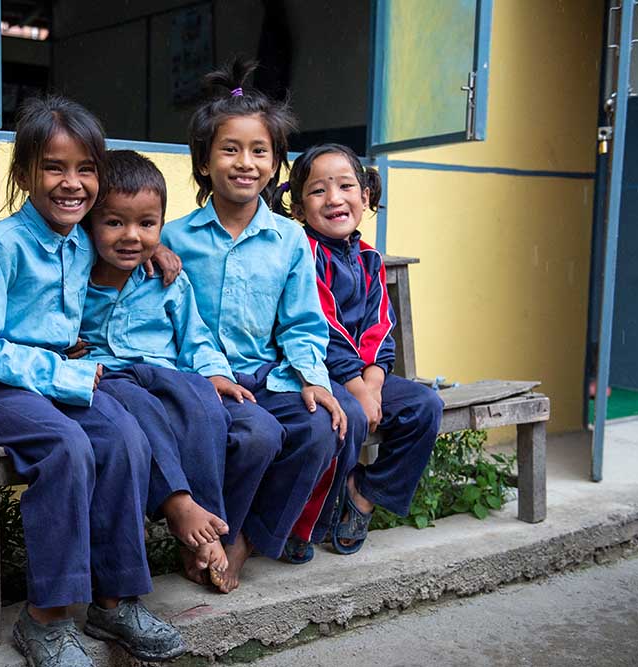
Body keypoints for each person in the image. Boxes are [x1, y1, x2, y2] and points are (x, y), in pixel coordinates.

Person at [0, 96, 185, 666]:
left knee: (124, 436)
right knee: (67, 446)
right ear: (24, 173)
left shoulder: (79, 240)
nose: (72, 183)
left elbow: (125, 239)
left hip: (50, 382)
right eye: (54, 167)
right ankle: (45, 619)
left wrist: (158, 247)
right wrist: (58, 371)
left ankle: (113, 599)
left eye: (86, 168)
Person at [161, 59, 366, 592]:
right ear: (204, 163)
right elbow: (165, 318)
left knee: (322, 426)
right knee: (255, 437)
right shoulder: (174, 239)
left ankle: (245, 540)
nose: (245, 162)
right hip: (200, 381)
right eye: (229, 149)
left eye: (259, 151)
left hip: (265, 376)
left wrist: (313, 379)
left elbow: (302, 321)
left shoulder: (289, 239)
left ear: (275, 165)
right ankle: (207, 542)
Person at [73, 149, 284, 588]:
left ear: (161, 225)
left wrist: (216, 374)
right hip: (108, 380)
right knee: (138, 403)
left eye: (147, 225)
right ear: (89, 220)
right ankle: (192, 523)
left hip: (174, 382)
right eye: (115, 223)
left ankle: (214, 530)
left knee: (259, 431)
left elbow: (197, 337)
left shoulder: (165, 277)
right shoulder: (73, 273)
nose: (131, 236)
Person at [278, 143, 444, 554]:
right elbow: (322, 327)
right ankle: (302, 525)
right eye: (318, 191)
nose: (334, 198)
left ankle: (364, 492)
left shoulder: (369, 258)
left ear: (365, 196)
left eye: (346, 186)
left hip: (362, 377)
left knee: (425, 406)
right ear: (298, 208)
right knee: (343, 418)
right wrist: (358, 389)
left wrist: (374, 381)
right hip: (314, 375)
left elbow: (379, 327)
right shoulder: (305, 253)